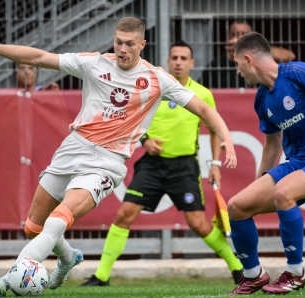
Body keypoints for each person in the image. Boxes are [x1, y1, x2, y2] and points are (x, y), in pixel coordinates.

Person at [0, 17, 237, 297]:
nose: (122, 49)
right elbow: (38, 56)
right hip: (73, 148)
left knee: (59, 219)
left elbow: (204, 110)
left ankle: (11, 277)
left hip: (106, 162)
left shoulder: (157, 79)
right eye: (118, 42)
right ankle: (69, 258)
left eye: (129, 44)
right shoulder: (94, 63)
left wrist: (227, 139)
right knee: (33, 227)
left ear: (142, 44)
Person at [80, 41, 244, 287]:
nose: (178, 62)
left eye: (183, 58)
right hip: (152, 166)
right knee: (125, 214)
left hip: (185, 167)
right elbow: (130, 118)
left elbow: (213, 130)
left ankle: (238, 269)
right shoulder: (151, 88)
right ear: (168, 62)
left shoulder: (202, 94)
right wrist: (145, 141)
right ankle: (101, 276)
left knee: (199, 224)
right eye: (174, 57)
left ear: (191, 63)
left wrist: (215, 164)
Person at [225, 32, 305, 295]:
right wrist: (261, 181)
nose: (238, 71)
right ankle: (253, 275)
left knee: (284, 192)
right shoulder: (262, 99)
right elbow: (272, 144)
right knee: (237, 206)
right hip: (298, 163)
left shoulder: (298, 73)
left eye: (238, 64)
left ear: (248, 60)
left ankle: (296, 272)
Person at [201, 21, 296, 88]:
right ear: (229, 37)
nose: (239, 38)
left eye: (244, 34)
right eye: (234, 34)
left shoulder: (259, 58)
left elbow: (290, 56)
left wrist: (256, 50)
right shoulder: (217, 64)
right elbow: (201, 87)